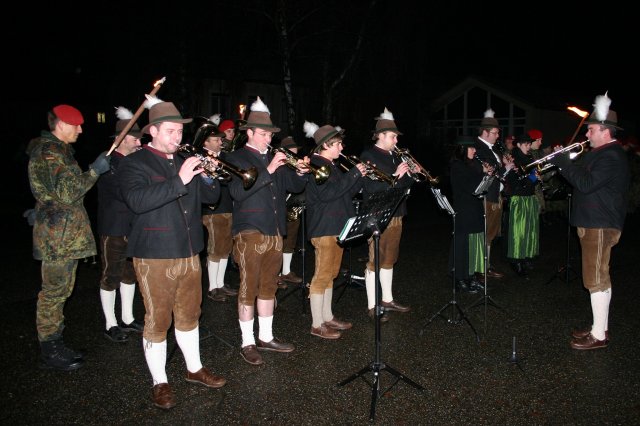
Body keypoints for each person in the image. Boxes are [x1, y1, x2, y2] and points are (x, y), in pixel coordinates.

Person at [118, 97, 226, 410]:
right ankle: (159, 381)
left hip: (190, 250)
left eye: (180, 131)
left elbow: (211, 197)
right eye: (170, 131)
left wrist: (207, 175)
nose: (177, 137)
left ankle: (194, 368)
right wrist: (180, 179)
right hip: (154, 253)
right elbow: (137, 201)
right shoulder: (133, 163)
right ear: (152, 131)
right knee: (158, 318)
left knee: (190, 312)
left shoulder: (184, 158)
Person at [27, 104, 112, 371]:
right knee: (54, 293)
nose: (81, 129)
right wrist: (95, 171)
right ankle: (50, 350)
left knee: (60, 291)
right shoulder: (51, 152)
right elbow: (67, 192)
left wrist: (40, 206)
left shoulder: (58, 151)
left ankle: (55, 343)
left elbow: (51, 191)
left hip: (61, 235)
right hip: (57, 240)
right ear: (61, 124)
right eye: (76, 125)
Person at [226, 97, 308, 365]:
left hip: (275, 230)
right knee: (248, 288)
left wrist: (301, 172)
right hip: (249, 231)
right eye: (262, 134)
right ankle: (247, 342)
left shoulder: (276, 157)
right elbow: (237, 192)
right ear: (249, 133)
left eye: (270, 134)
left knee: (268, 287)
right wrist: (269, 169)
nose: (267, 139)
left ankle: (266, 336)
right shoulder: (236, 157)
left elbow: (294, 188)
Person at [548, 94, 630, 350]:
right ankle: (599, 328)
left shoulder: (611, 156)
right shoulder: (602, 153)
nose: (587, 133)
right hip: (596, 223)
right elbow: (582, 176)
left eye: (591, 129)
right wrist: (564, 163)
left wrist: (562, 163)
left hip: (600, 224)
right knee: (599, 277)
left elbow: (584, 183)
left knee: (594, 279)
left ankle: (599, 336)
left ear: (605, 132)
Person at [303, 121, 366, 339]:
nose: (342, 148)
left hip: (337, 227)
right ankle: (316, 324)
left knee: (331, 274)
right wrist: (354, 174)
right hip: (324, 228)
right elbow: (328, 195)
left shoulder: (332, 165)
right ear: (325, 146)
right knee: (321, 276)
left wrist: (359, 178)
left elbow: (344, 194)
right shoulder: (317, 165)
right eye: (338, 144)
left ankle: (327, 316)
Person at [360, 107, 413, 322]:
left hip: (397, 212)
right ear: (380, 136)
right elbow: (372, 188)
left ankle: (388, 299)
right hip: (378, 214)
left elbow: (405, 184)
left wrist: (409, 173)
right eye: (392, 137)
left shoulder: (394, 155)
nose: (395, 141)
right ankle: (373, 305)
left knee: (391, 258)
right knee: (376, 259)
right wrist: (395, 175)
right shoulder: (368, 156)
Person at [96, 107, 144, 343]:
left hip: (132, 227)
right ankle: (110, 323)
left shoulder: (133, 162)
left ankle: (127, 317)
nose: (139, 143)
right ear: (121, 140)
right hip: (113, 227)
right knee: (110, 275)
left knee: (129, 275)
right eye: (135, 139)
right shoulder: (109, 162)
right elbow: (124, 192)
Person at [193, 116, 238, 303]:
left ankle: (220, 283)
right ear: (206, 142)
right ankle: (212, 287)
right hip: (213, 210)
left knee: (225, 248)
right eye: (217, 139)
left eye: (221, 139)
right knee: (216, 249)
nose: (222, 142)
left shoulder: (225, 158)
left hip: (227, 206)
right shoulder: (199, 157)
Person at [473, 109, 515, 279]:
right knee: (484, 233)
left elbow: (498, 175)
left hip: (495, 196)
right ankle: (480, 267)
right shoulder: (479, 148)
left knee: (490, 233)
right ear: (485, 132)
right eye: (495, 133)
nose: (498, 136)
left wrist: (507, 168)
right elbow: (487, 171)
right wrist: (503, 167)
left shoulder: (493, 149)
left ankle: (486, 265)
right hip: (485, 197)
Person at [449, 135, 493, 293]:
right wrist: (482, 173)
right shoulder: (457, 165)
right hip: (464, 210)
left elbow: (479, 184)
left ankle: (472, 276)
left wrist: (486, 173)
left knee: (475, 243)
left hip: (475, 209)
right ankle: (460, 277)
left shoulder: (473, 164)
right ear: (462, 149)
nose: (475, 150)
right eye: (471, 148)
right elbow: (469, 185)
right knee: (463, 244)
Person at [505, 135, 540, 276]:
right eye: (525, 143)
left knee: (530, 230)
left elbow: (531, 181)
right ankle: (516, 260)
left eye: (529, 143)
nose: (528, 146)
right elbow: (515, 184)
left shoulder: (530, 158)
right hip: (519, 199)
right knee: (518, 231)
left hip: (530, 198)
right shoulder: (513, 159)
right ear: (518, 145)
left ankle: (526, 256)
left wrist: (536, 178)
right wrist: (531, 179)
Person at [278, 136, 305, 289]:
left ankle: (286, 271)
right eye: (292, 153)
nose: (295, 156)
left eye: (296, 152)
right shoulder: (280, 166)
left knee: (291, 241)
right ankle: (275, 274)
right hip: (280, 208)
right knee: (278, 243)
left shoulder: (295, 166)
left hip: (294, 208)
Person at [528, 129, 548, 224]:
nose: (541, 143)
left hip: (538, 193)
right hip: (531, 194)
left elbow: (544, 176)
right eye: (538, 140)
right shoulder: (527, 155)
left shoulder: (538, 154)